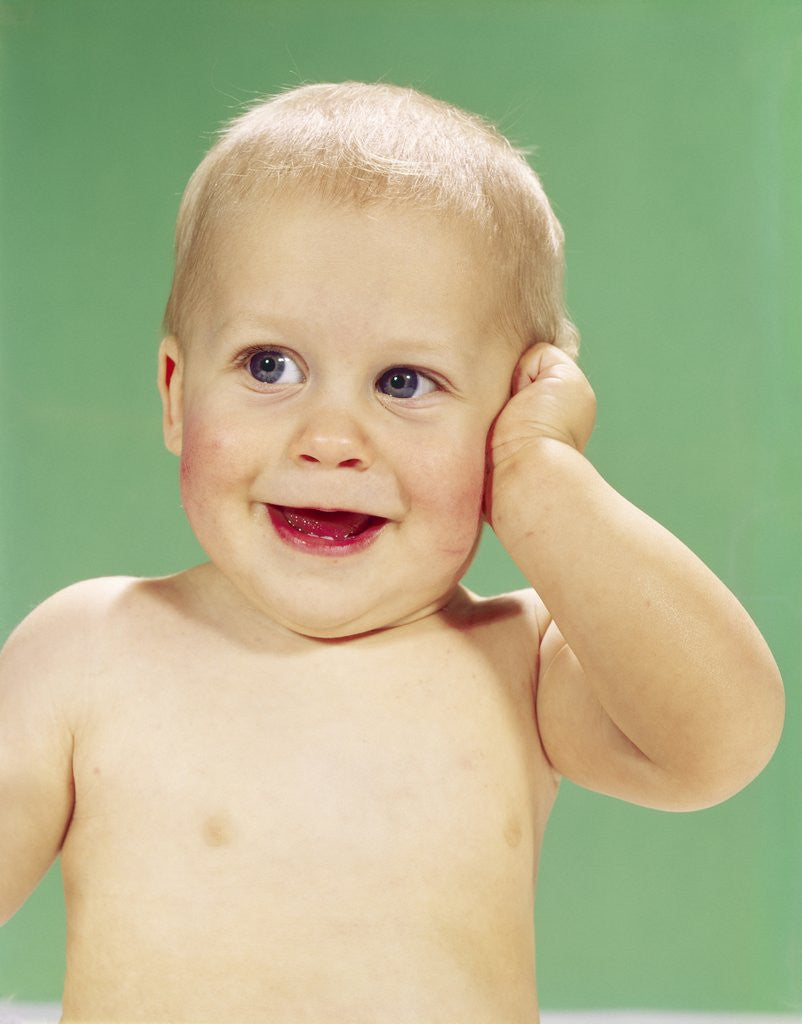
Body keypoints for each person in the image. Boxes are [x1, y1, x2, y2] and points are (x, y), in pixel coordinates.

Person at [0, 82, 784, 1023]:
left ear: (511, 404)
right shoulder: (87, 650)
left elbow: (721, 743)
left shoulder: (520, 665)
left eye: (405, 382)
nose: (330, 436)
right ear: (176, 391)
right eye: (268, 366)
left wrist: (540, 476)